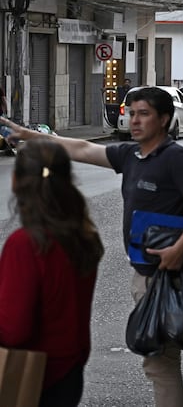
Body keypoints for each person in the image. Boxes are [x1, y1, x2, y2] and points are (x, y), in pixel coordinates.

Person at [0, 86, 183, 407]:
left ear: (164, 119)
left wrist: (178, 250)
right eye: (132, 113)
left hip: (168, 277)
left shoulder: (176, 158)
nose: (135, 120)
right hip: (145, 273)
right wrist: (31, 135)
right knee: (158, 362)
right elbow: (82, 149)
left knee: (161, 364)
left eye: (144, 114)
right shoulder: (131, 155)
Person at [0, 139, 104, 407]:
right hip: (70, 368)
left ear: (15, 182)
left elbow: (14, 331)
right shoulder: (84, 238)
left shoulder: (25, 245)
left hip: (31, 374)